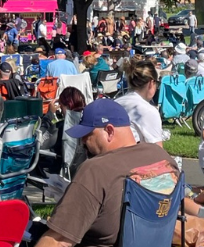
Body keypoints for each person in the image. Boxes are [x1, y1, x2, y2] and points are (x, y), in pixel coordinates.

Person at [34, 99, 177, 247]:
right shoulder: (162, 157)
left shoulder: (95, 171)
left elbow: (58, 241)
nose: (82, 141)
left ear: (109, 131)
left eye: (87, 134)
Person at [113, 57, 165, 146]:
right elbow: (157, 152)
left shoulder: (116, 103)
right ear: (151, 83)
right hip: (134, 158)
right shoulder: (148, 111)